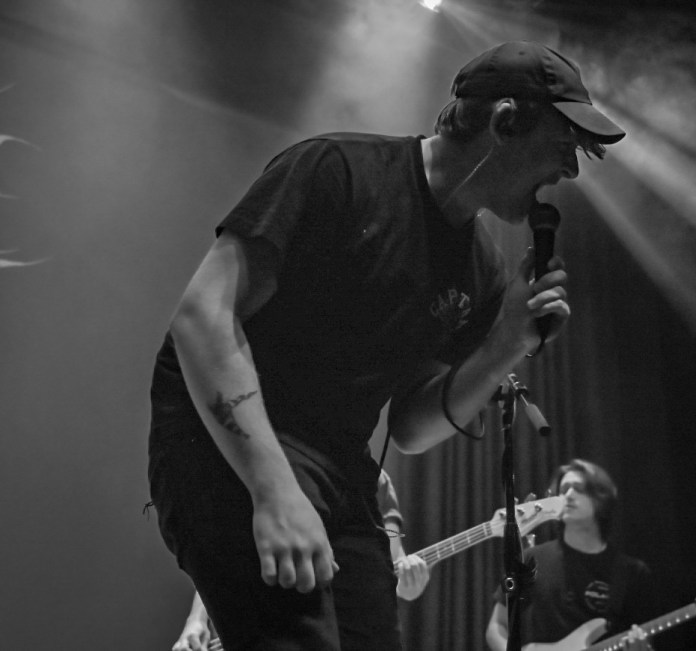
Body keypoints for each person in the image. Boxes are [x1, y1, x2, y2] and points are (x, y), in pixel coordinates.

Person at [147, 40, 625, 650]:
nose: (571, 172)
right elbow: (202, 317)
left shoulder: (480, 268)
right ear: (506, 121)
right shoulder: (338, 170)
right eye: (563, 147)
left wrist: (504, 345)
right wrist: (272, 488)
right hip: (229, 448)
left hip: (340, 469)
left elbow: (411, 429)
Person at [170, 470, 429, 650]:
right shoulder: (277, 466)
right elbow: (231, 557)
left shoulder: (377, 482)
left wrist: (410, 585)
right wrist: (196, 621)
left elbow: (394, 562)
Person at [485, 459, 656, 651]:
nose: (568, 495)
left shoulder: (632, 572)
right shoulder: (529, 559)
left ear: (602, 499)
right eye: (564, 489)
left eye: (579, 489)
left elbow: (645, 637)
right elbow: (497, 626)